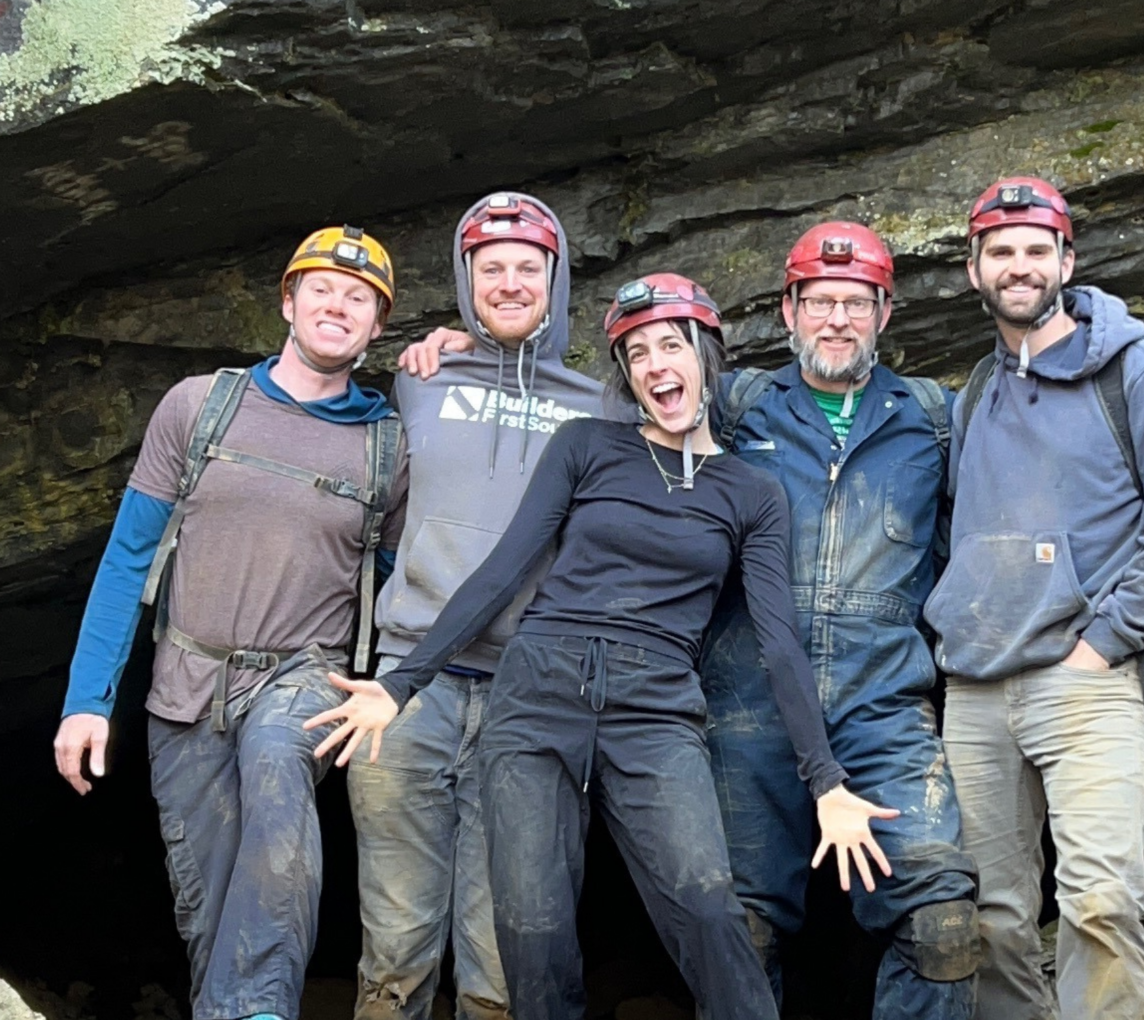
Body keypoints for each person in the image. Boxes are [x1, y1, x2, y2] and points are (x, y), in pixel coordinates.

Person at [305, 274, 900, 1020]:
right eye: (636, 353)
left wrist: (826, 782)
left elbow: (779, 641)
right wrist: (402, 683)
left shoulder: (751, 492)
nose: (655, 365)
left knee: (708, 906)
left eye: (671, 346)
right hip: (539, 690)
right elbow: (503, 569)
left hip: (655, 708)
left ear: (706, 357)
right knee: (532, 931)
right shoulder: (588, 444)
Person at [52, 226, 405, 1020]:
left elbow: (401, 586)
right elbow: (127, 560)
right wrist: (86, 700)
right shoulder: (199, 407)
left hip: (305, 675)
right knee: (210, 909)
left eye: (359, 298)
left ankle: (262, 1011)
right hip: (187, 685)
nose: (338, 306)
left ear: (378, 325)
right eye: (322, 289)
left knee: (279, 772)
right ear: (288, 302)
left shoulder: (388, 448)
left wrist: (402, 685)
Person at [922, 177, 1144, 1020]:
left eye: (1036, 250)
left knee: (1099, 904)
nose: (1018, 267)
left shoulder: (1136, 369)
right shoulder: (976, 391)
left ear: (1067, 261)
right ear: (974, 270)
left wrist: (1105, 643)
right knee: (990, 919)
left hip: (1085, 684)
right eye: (1000, 252)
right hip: (976, 691)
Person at [702, 221, 980, 1017]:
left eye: (856, 303)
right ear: (787, 311)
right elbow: (629, 392)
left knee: (943, 926)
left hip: (882, 707)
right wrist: (465, 347)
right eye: (819, 301)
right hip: (748, 705)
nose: (837, 319)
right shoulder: (736, 408)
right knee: (738, 933)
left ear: (884, 313)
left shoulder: (932, 418)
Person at [350, 192, 607, 1020]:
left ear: (556, 280)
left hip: (527, 695)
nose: (509, 283)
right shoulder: (419, 378)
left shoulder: (600, 406)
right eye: (490, 269)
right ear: (465, 283)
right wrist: (445, 341)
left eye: (528, 268)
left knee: (501, 962)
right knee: (394, 948)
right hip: (407, 686)